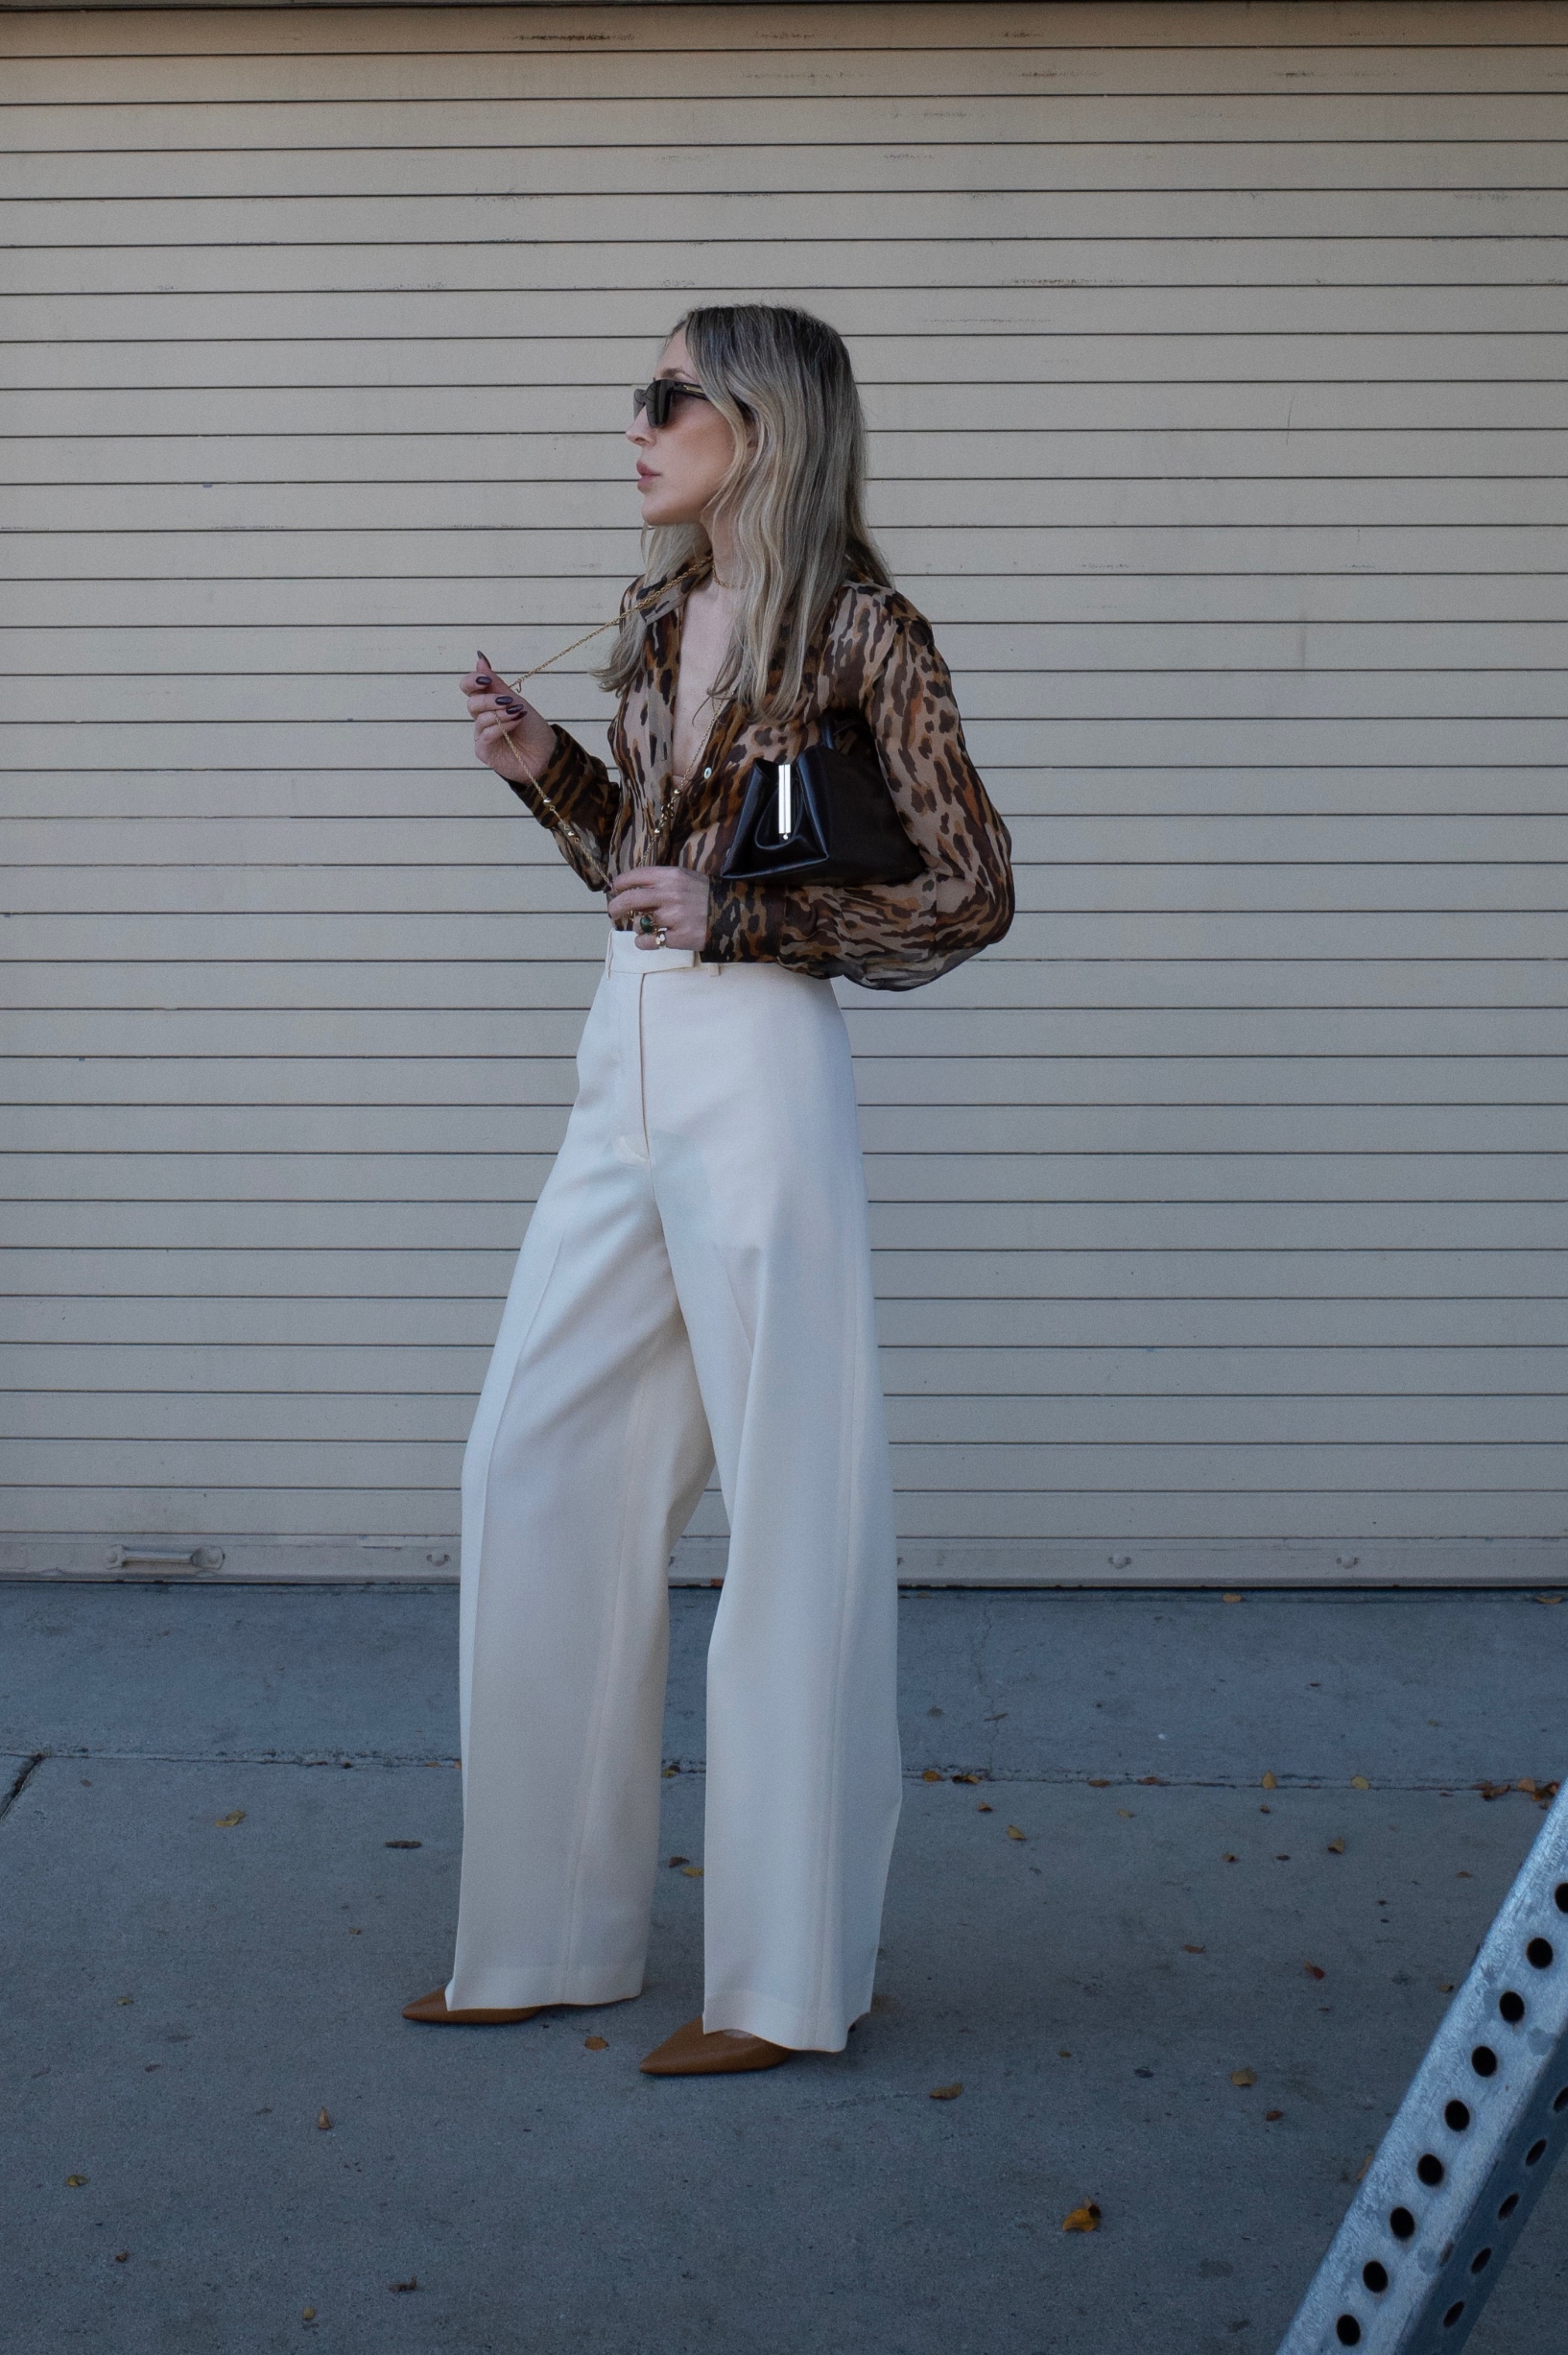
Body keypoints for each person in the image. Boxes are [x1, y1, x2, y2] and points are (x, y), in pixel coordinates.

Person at [402, 304, 1013, 2075]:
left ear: (764, 421)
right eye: (641, 395)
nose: (638, 423)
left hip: (759, 1073)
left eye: (669, 395)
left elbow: (966, 893)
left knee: (795, 1506)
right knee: (535, 1459)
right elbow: (650, 871)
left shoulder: (866, 631)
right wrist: (552, 777)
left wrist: (738, 916)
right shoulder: (670, 623)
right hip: (629, 1057)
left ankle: (779, 1978)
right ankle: (541, 1936)